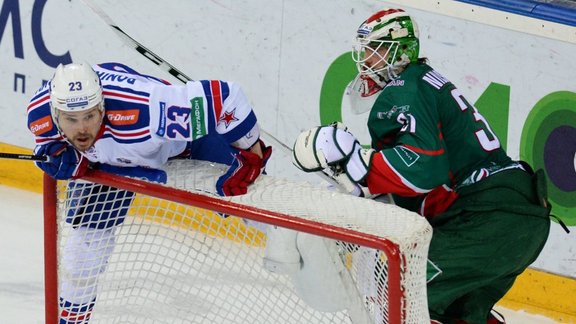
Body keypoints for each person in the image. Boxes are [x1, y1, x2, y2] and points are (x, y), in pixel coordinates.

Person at [292, 8, 551, 324]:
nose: (367, 59)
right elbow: (427, 183)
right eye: (366, 50)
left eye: (376, 50)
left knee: (399, 290)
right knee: (460, 314)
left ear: (401, 51)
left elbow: (424, 167)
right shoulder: (423, 83)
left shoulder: (406, 85)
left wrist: (358, 164)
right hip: (517, 219)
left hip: (488, 218)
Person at [26, 62, 271, 323]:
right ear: (55, 114)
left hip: (186, 148)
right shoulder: (39, 117)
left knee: (263, 208)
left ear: (102, 106)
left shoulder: (148, 109)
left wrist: (251, 156)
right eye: (71, 120)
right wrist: (62, 157)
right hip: (111, 166)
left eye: (89, 116)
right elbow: (54, 149)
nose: (82, 128)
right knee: (83, 252)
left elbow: (227, 97)